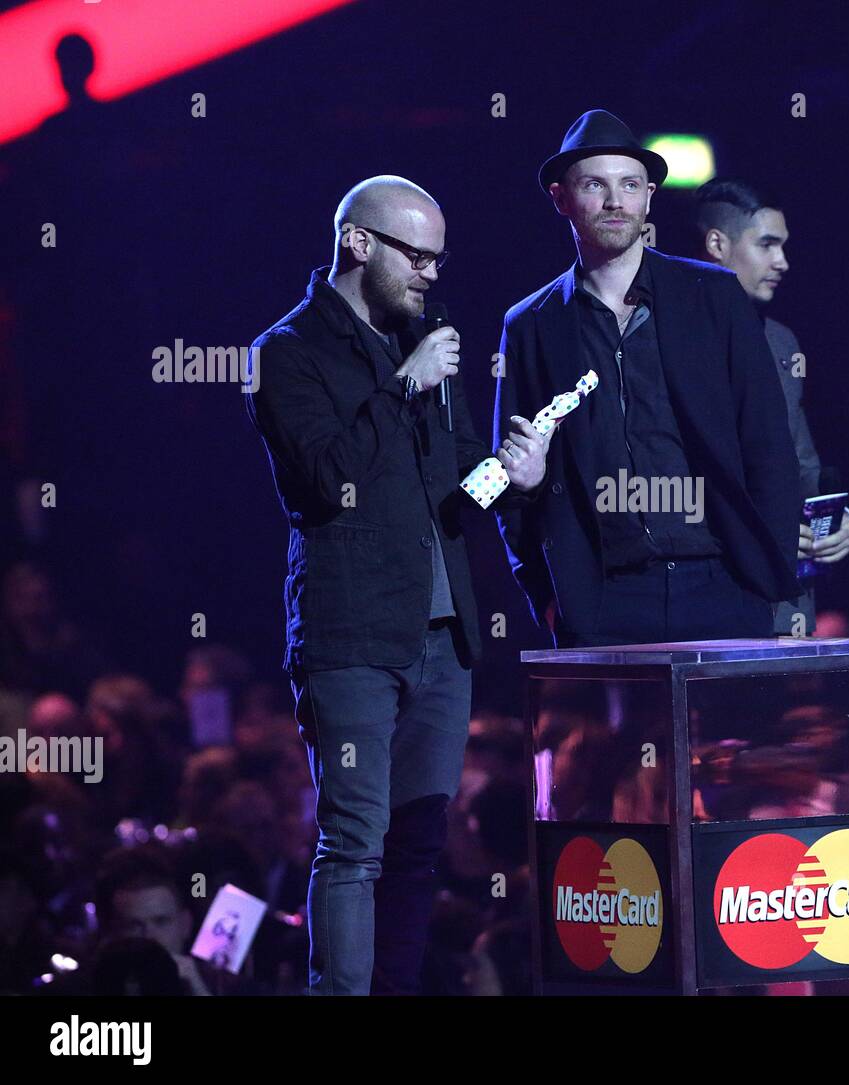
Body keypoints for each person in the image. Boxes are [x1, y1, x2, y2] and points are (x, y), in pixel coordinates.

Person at [245, 176, 552, 994]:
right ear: (359, 244)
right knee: (356, 840)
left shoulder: (429, 338)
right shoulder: (289, 350)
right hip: (353, 637)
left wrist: (513, 474)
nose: (431, 275)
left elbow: (453, 490)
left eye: (438, 259)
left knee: (419, 840)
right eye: (417, 255)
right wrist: (401, 384)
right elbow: (322, 480)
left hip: (444, 638)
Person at [494, 110, 800, 647]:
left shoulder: (714, 296)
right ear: (561, 197)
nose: (616, 202)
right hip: (604, 600)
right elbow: (510, 473)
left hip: (722, 584)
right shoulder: (531, 324)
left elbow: (768, 443)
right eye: (596, 185)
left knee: (732, 735)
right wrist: (547, 595)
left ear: (650, 197)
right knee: (617, 736)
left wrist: (765, 575)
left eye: (630, 185)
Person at [694, 178, 849, 636]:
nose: (782, 262)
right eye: (767, 245)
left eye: (783, 246)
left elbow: (802, 462)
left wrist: (835, 522)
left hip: (782, 595)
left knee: (769, 707)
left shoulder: (782, 342)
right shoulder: (663, 336)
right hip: (702, 588)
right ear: (717, 244)